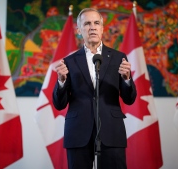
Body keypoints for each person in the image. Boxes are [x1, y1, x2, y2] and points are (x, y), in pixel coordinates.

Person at [53, 8, 137, 169]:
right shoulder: (69, 62)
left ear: (102, 28)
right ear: (79, 30)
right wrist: (61, 82)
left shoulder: (119, 58)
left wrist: (127, 79)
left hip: (111, 130)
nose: (92, 27)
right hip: (78, 132)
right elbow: (59, 104)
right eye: (87, 24)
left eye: (96, 23)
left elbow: (129, 99)